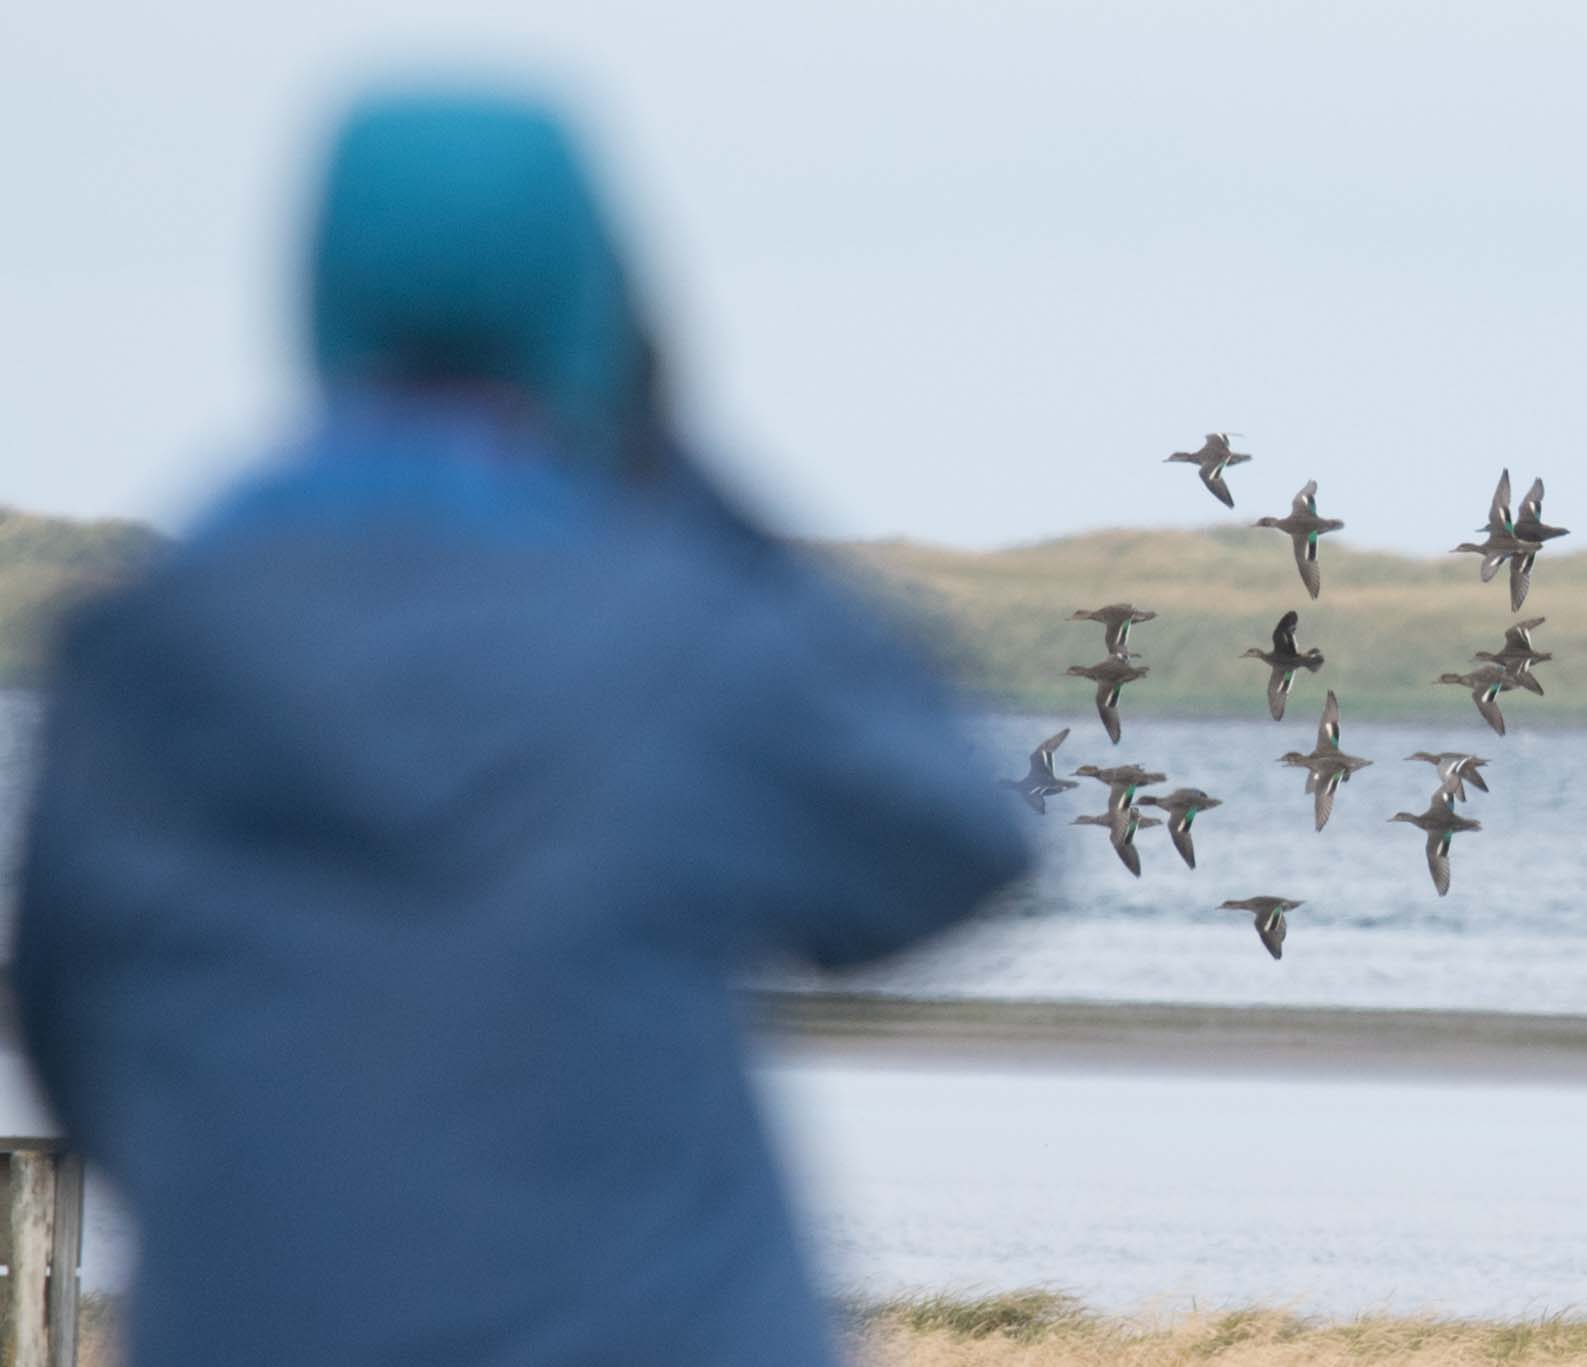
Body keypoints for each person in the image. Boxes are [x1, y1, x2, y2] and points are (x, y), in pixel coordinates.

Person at [12, 88, 1030, 1366]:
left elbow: (78, 1031)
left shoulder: (142, 651)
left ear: (320, 295)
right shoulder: (674, 632)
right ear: (583, 311)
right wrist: (676, 462)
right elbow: (951, 847)